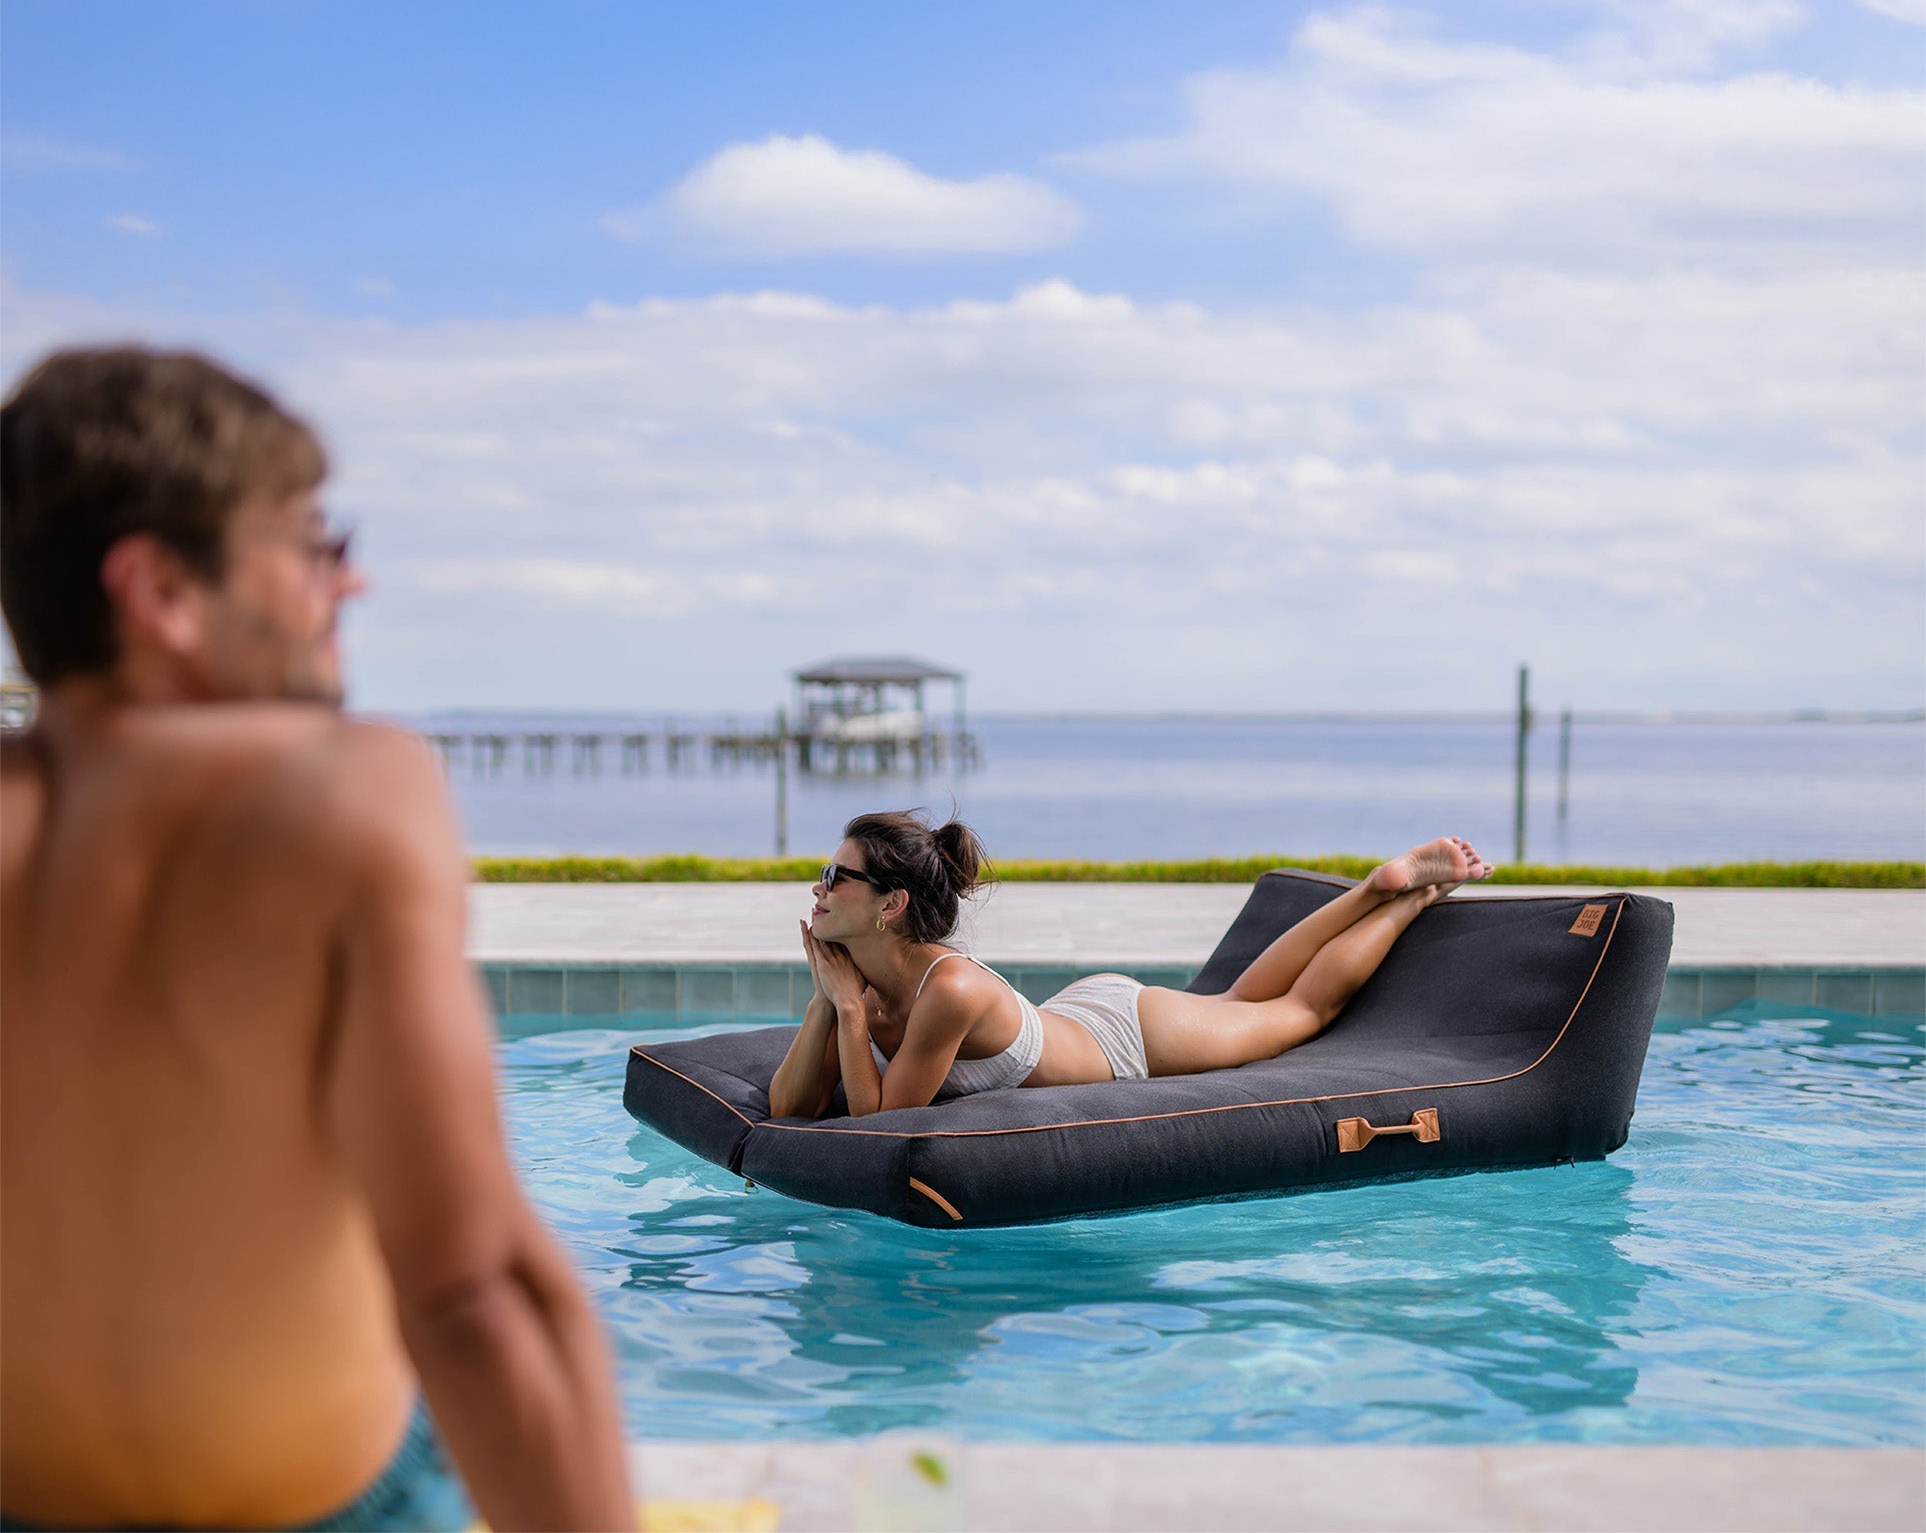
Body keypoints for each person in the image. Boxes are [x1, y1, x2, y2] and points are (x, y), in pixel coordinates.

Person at [0, 349, 633, 1531]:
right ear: (162, 590)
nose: (350, 582)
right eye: (311, 545)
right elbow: (475, 1294)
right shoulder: (342, 794)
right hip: (322, 1504)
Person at [768, 810, 1496, 1119]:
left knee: (1300, 1011)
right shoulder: (859, 979)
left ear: (891, 904)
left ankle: (1399, 896)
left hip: (1128, 1040)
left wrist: (849, 1009)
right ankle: (1379, 889)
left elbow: (883, 1123)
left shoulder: (948, 987)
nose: (818, 889)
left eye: (836, 877)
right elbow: (788, 1110)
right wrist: (829, 1001)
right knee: (1236, 998)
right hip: (1073, 1017)